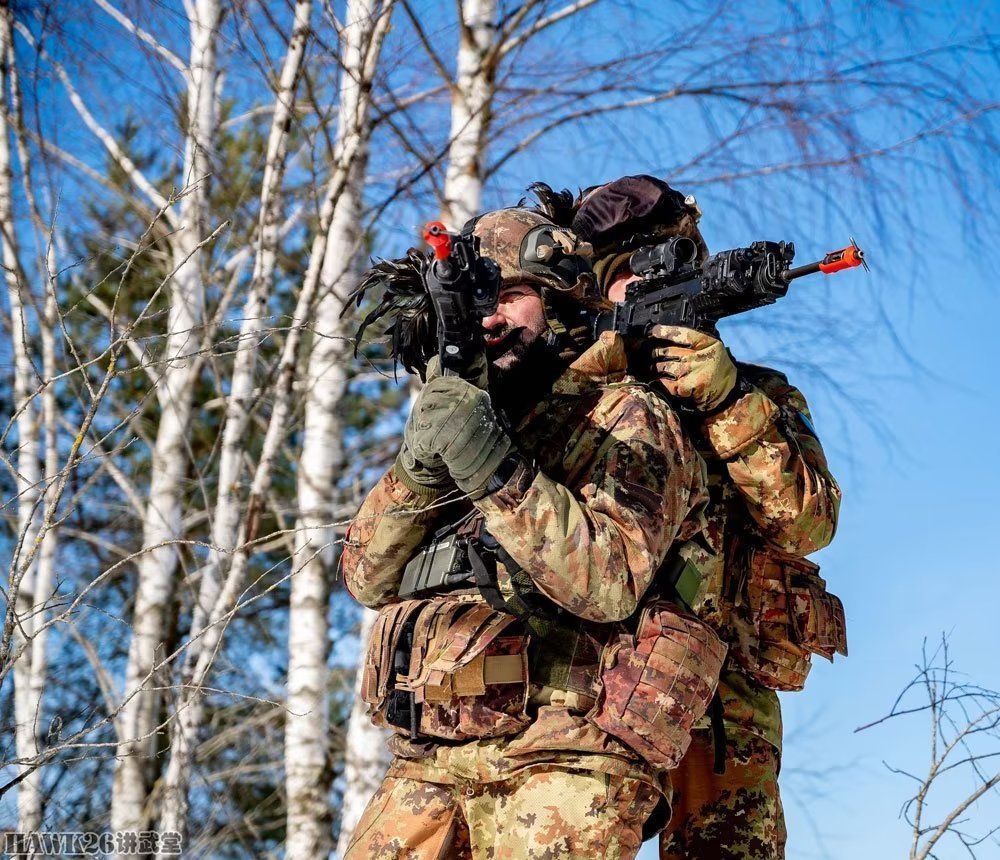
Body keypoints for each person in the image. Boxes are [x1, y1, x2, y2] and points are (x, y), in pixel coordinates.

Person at [340, 206, 726, 860]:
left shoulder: (627, 415)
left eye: (513, 296)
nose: (492, 316)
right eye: (480, 301)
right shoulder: (464, 410)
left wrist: (491, 465)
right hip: (431, 756)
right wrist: (420, 468)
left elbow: (607, 582)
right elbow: (365, 575)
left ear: (558, 302)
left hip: (568, 754)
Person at [549, 174, 847, 859]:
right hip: (579, 688)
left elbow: (808, 523)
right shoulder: (561, 390)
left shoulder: (755, 391)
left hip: (722, 701)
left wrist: (723, 402)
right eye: (624, 274)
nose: (641, 291)